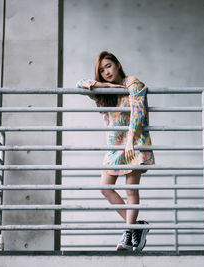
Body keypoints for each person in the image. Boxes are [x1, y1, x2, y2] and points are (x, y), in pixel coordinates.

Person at [76, 51, 155, 251]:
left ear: (118, 64)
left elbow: (138, 111)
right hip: (114, 149)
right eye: (102, 70)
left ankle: (128, 234)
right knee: (105, 187)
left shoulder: (133, 83)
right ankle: (135, 227)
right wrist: (109, 86)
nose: (106, 72)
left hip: (134, 142)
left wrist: (130, 141)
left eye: (109, 66)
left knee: (130, 189)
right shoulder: (106, 91)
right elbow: (80, 84)